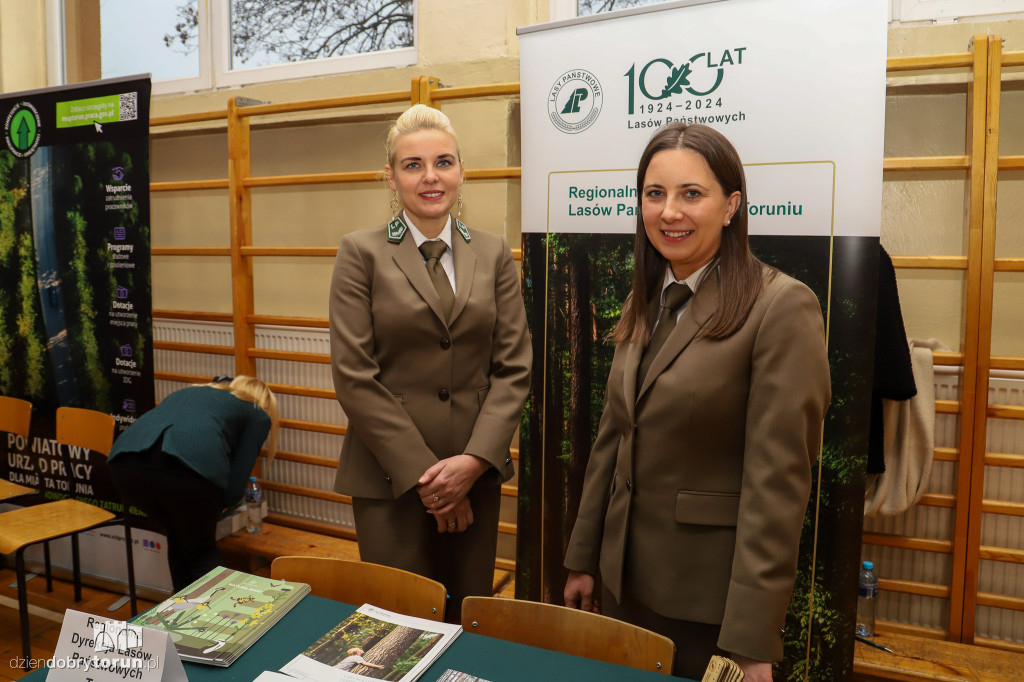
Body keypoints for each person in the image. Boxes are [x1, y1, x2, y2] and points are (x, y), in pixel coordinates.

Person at [562, 123, 831, 681]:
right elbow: (614, 436)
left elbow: (777, 486)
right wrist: (583, 559)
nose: (670, 213)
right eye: (655, 194)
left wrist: (753, 637)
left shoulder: (780, 307)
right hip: (620, 586)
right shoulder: (648, 295)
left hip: (706, 605)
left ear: (731, 205)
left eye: (692, 194)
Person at [329, 104, 532, 624]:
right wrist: (432, 482)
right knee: (397, 625)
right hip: (389, 480)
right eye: (413, 165)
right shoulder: (361, 253)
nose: (430, 176)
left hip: (475, 476)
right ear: (391, 178)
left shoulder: (492, 255)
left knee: (465, 617)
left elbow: (513, 367)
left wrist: (471, 465)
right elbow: (355, 376)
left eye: (443, 162)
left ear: (461, 171)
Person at [108, 376, 279, 590]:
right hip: (184, 477)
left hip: (124, 467)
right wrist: (215, 511)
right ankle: (226, 619)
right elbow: (235, 490)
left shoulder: (190, 392)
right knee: (201, 553)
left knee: (180, 541)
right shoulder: (257, 413)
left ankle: (181, 616)